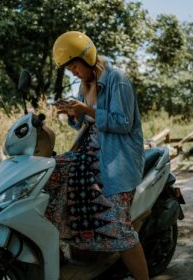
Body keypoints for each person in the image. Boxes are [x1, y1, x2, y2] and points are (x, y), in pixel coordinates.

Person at [45, 30, 149, 280]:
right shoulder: (85, 86)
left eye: (75, 67)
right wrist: (73, 114)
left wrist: (87, 110)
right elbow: (84, 123)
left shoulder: (117, 80)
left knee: (116, 225)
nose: (74, 73)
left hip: (116, 160)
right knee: (48, 175)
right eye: (70, 70)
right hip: (88, 155)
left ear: (88, 58)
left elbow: (122, 122)